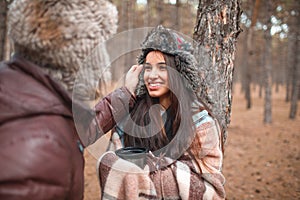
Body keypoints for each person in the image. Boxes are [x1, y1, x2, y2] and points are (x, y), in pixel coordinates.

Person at [0, 0, 143, 199]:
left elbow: (73, 129)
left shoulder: (21, 90)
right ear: (83, 54)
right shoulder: (41, 148)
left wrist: (125, 93)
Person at [98, 25, 226, 199]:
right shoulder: (132, 116)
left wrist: (147, 171)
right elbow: (112, 159)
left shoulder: (200, 121)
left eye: (162, 67)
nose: (152, 75)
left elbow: (209, 184)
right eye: (148, 68)